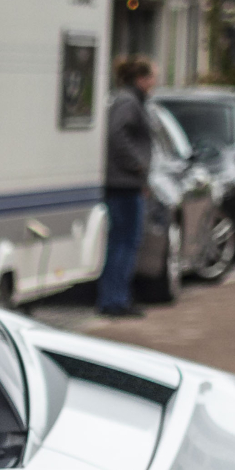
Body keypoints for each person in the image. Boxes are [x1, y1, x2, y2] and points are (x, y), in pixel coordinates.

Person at [100, 57, 158, 319]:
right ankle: (115, 299)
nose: (153, 83)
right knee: (125, 241)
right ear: (141, 79)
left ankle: (116, 297)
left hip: (127, 183)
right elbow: (117, 135)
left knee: (123, 241)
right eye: (151, 78)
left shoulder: (129, 101)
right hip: (124, 184)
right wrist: (137, 166)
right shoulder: (128, 102)